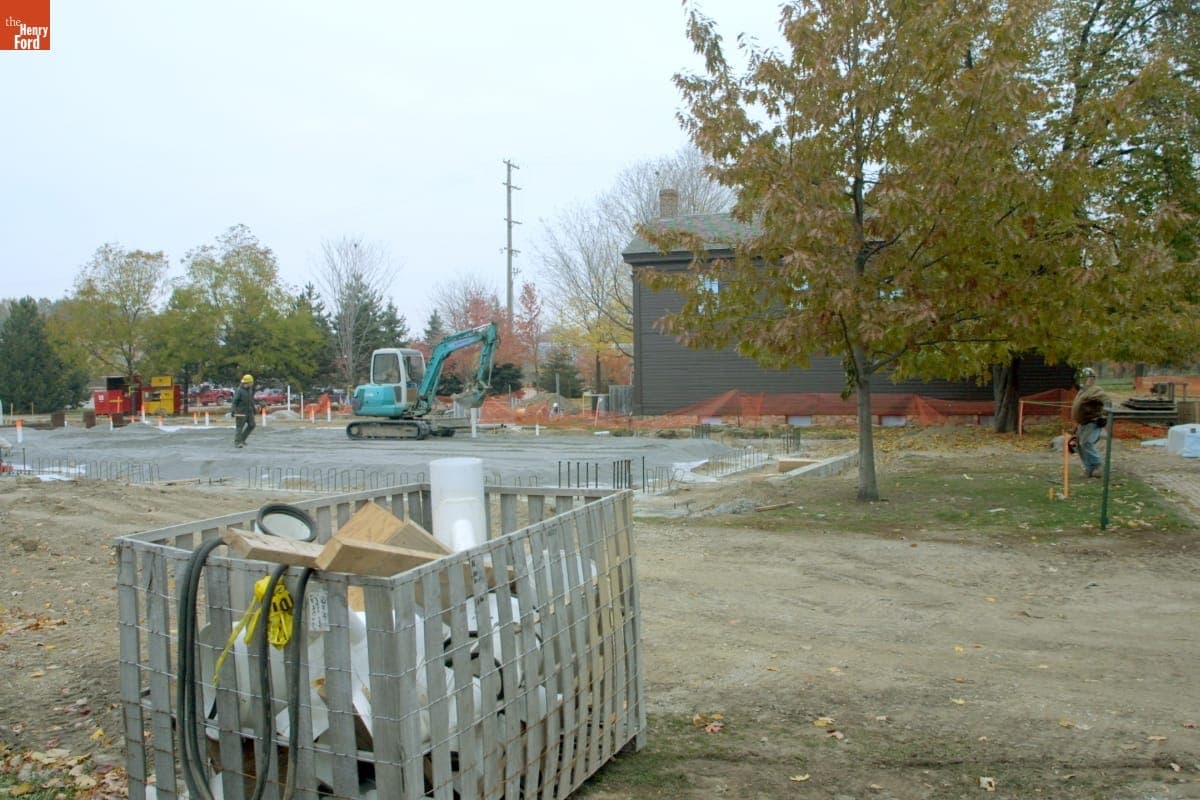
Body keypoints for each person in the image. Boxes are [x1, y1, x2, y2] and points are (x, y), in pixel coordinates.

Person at [1070, 367, 1109, 478]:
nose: (1085, 380)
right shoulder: (1082, 391)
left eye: (1088, 378)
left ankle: (1098, 465)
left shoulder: (1095, 389)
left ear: (1093, 378)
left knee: (1086, 443)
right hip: (1083, 423)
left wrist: (1105, 416)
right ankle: (1089, 468)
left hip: (1093, 422)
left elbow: (1107, 400)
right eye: (1083, 378)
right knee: (1079, 445)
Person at [232, 374, 257, 448]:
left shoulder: (250, 389)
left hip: (249, 411)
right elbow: (234, 402)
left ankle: (242, 439)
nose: (252, 383)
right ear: (248, 383)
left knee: (252, 425)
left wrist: (254, 408)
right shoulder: (239, 390)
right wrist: (233, 411)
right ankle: (237, 442)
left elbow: (251, 400)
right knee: (239, 427)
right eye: (251, 382)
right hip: (241, 412)